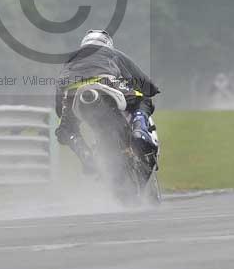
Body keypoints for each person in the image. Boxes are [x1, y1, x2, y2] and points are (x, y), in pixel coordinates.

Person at [54, 29, 160, 172]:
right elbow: (143, 82)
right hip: (105, 82)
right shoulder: (113, 53)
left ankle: (85, 154)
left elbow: (59, 103)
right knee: (143, 101)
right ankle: (139, 130)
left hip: (71, 92)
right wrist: (151, 88)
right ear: (107, 44)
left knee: (66, 129)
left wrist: (64, 113)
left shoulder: (70, 58)